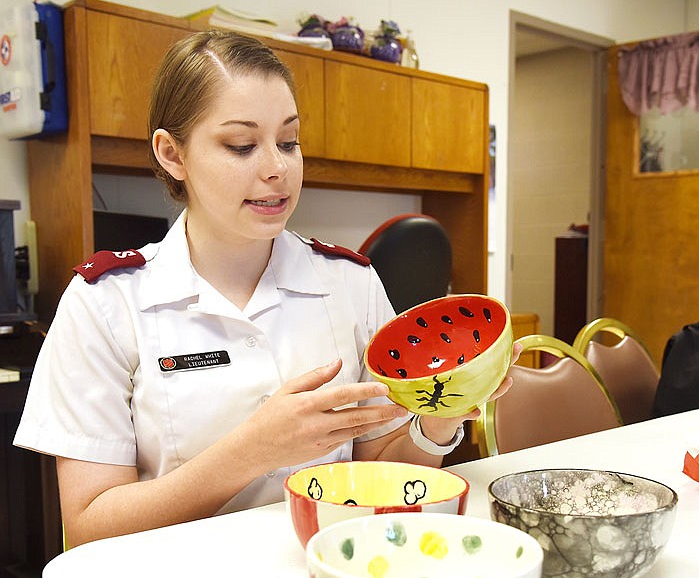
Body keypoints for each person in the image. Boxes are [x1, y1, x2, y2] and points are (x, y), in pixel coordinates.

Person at [14, 30, 516, 548]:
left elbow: (379, 472)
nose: (278, 168)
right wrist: (252, 451)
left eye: (289, 142)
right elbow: (89, 525)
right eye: (242, 145)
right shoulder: (104, 301)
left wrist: (441, 415)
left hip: (328, 572)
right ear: (172, 154)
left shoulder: (351, 282)